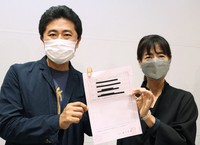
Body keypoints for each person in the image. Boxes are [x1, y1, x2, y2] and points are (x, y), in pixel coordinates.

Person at [0, 5, 92, 145]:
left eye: (67, 35)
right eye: (52, 34)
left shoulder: (84, 81)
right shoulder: (19, 74)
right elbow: (6, 125)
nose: (59, 40)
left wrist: (120, 106)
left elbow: (93, 129)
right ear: (42, 38)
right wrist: (57, 121)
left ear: (77, 41)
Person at [117, 34, 198, 145]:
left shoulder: (183, 100)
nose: (155, 61)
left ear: (169, 60)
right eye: (148, 57)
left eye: (161, 56)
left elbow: (185, 142)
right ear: (140, 62)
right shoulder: (130, 101)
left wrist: (149, 118)